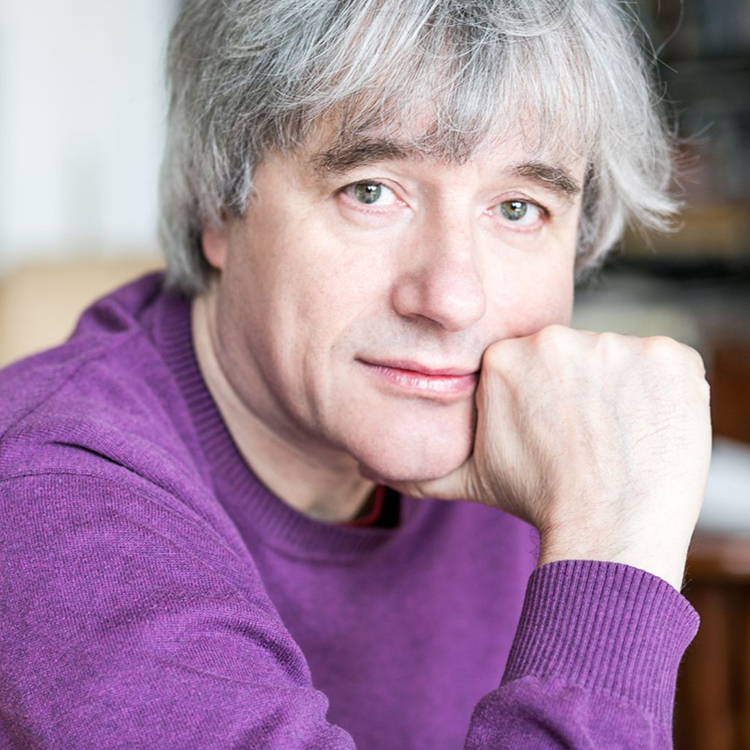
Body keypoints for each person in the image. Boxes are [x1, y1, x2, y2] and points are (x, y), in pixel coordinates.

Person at [0, 1, 711, 748]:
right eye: (370, 191)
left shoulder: (534, 438)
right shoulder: (52, 505)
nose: (451, 299)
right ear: (218, 205)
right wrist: (611, 547)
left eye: (516, 208)